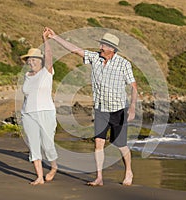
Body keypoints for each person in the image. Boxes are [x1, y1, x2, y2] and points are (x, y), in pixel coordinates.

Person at [46, 28, 137, 186]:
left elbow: (134, 87)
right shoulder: (95, 58)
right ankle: (99, 177)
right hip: (101, 108)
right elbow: (75, 50)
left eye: (103, 45)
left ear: (112, 49)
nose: (100, 47)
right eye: (101, 44)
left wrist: (133, 107)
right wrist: (55, 37)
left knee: (121, 145)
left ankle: (128, 170)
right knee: (98, 143)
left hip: (118, 110)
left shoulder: (124, 64)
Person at [20, 28, 58, 185]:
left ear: (41, 60)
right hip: (28, 114)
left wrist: (45, 39)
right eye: (29, 59)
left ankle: (54, 167)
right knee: (34, 145)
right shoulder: (27, 76)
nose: (31, 61)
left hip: (46, 112)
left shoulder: (46, 72)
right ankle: (39, 177)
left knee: (48, 145)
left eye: (35, 58)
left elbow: (49, 56)